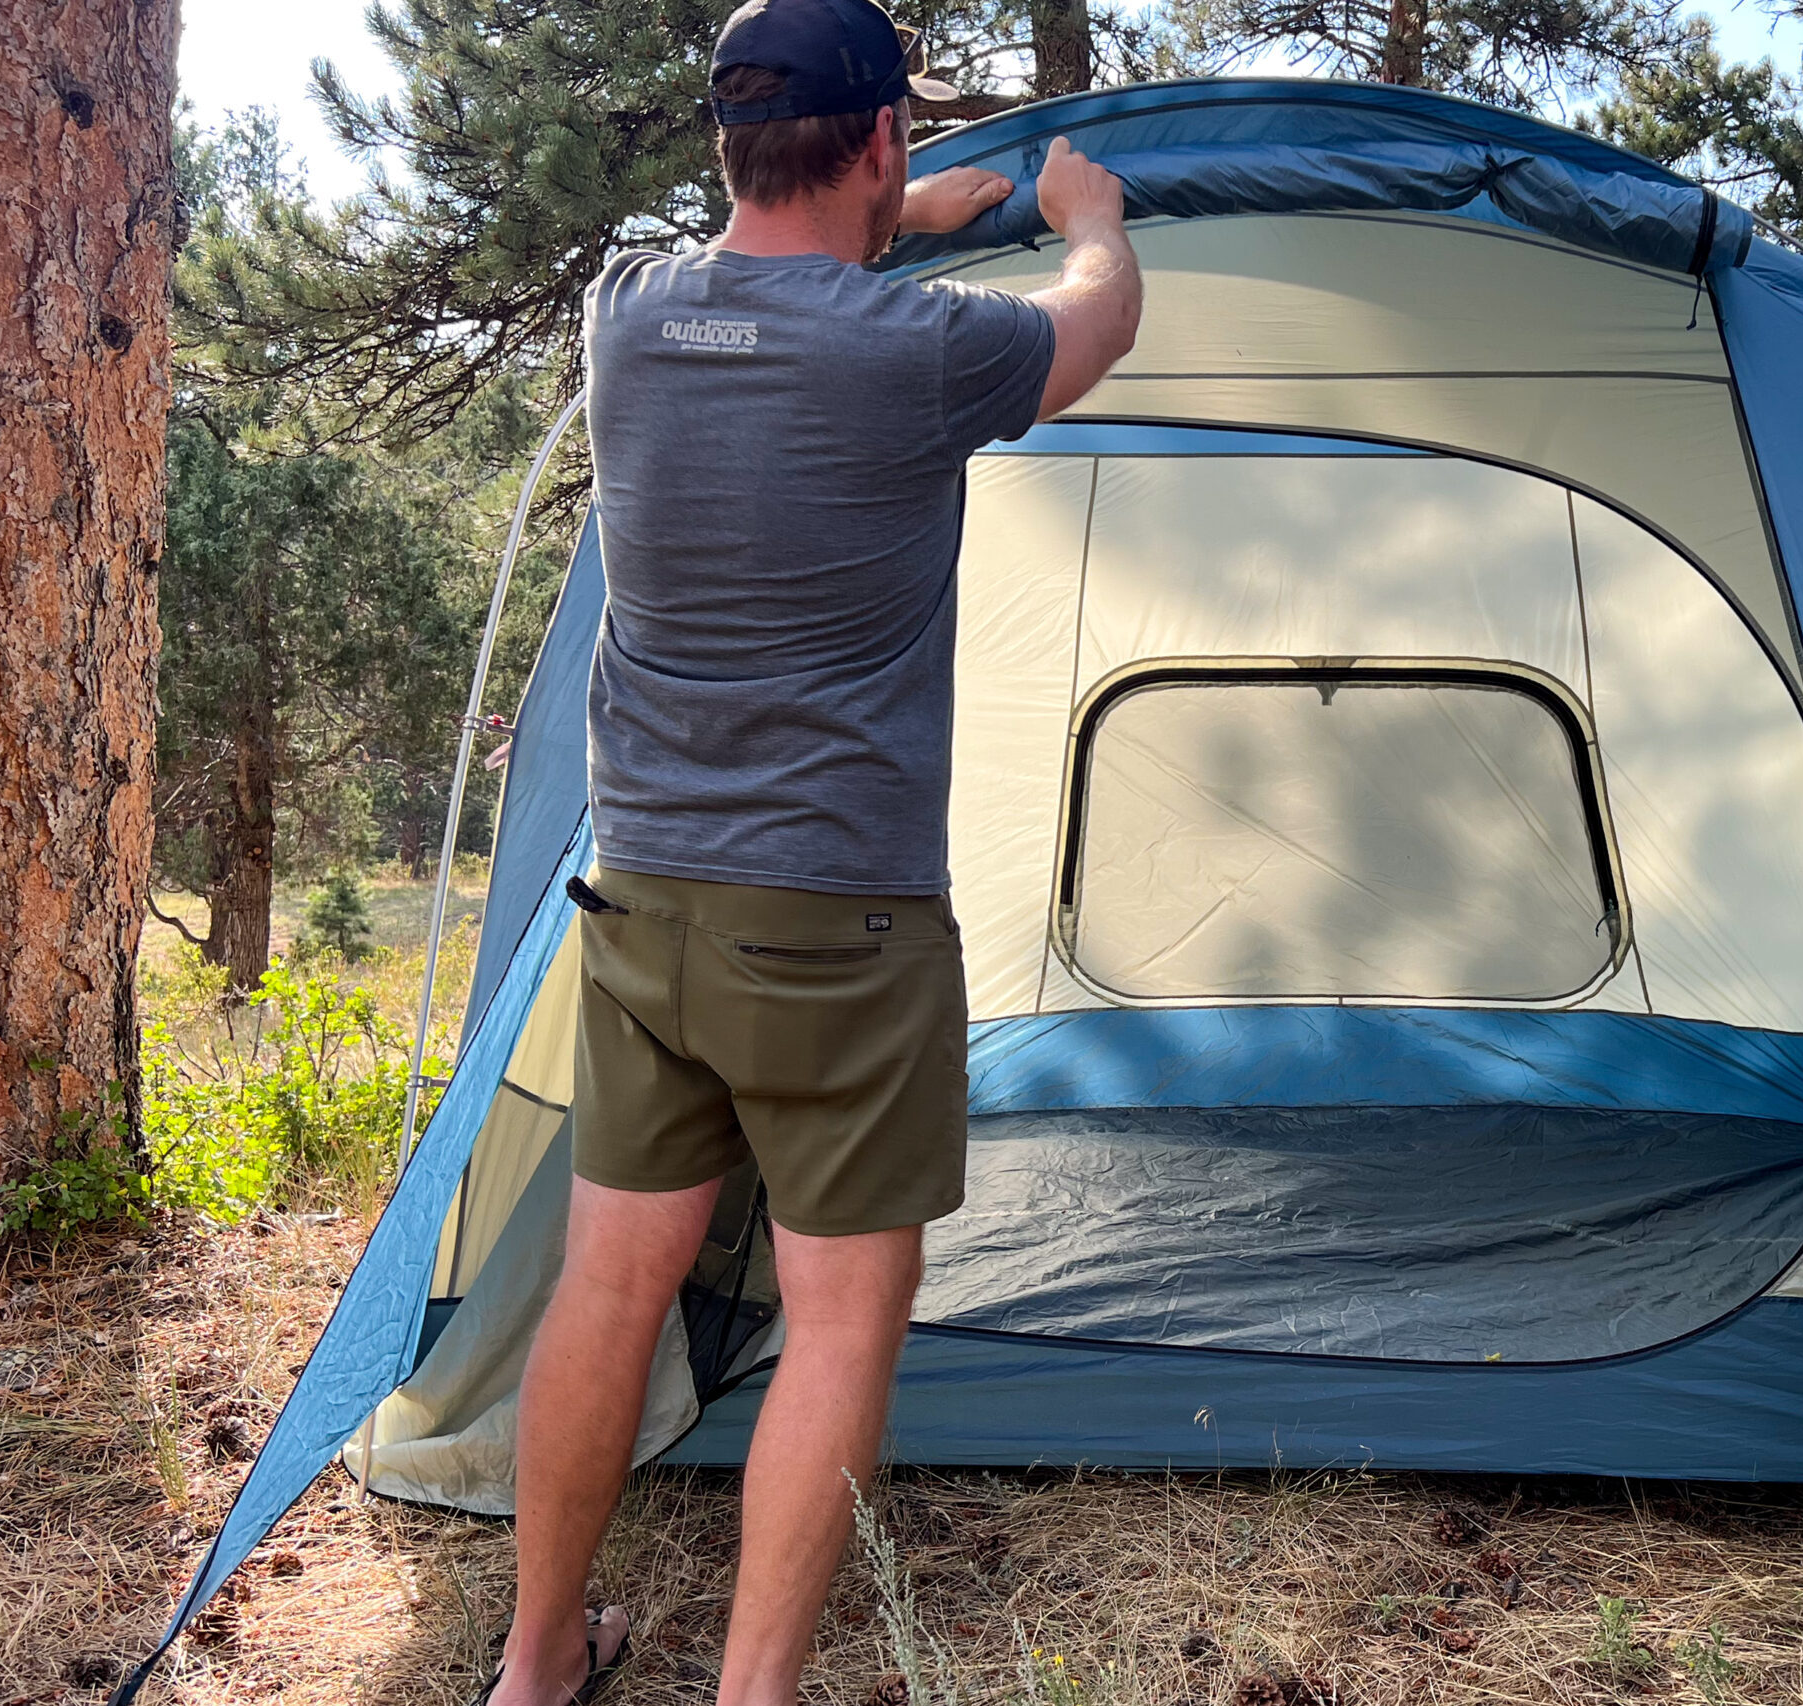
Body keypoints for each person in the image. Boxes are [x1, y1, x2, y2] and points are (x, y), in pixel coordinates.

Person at [475, 1, 1142, 1699]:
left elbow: (794, 251)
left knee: (609, 1287)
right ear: (877, 138)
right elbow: (1100, 324)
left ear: (728, 147)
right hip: (838, 927)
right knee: (843, 1318)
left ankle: (538, 1662)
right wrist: (1085, 219)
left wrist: (910, 201)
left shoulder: (625, 321)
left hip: (642, 908)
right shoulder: (920, 359)